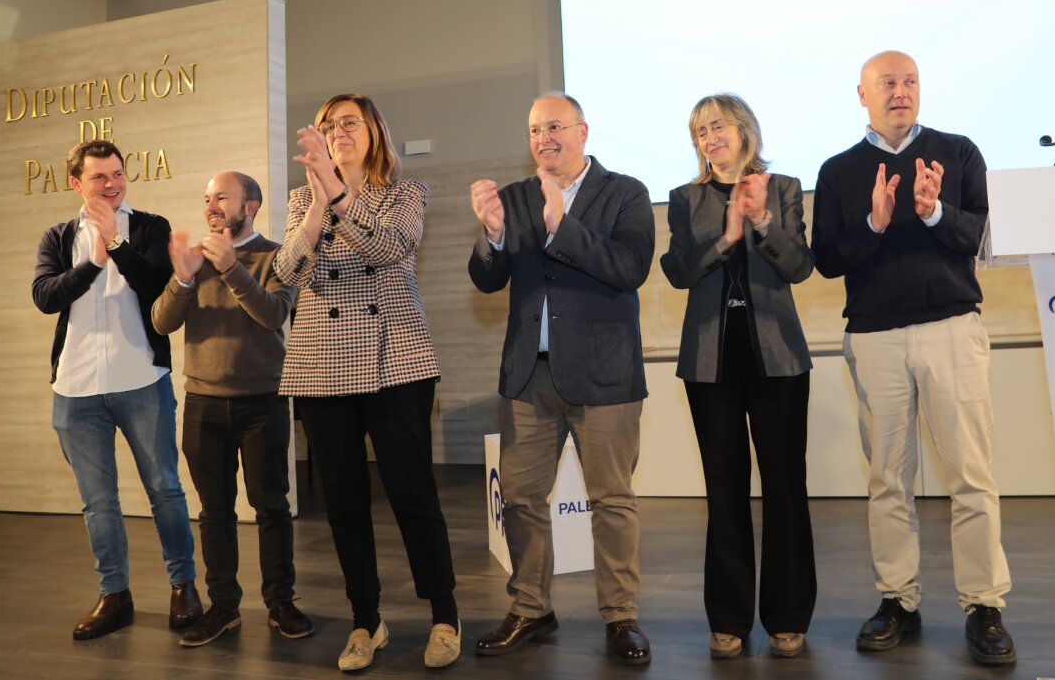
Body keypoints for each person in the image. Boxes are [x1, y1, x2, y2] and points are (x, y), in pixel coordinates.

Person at [811, 51, 1015, 666]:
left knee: (971, 477)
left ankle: (984, 605)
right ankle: (898, 598)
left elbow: (983, 238)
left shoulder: (958, 152)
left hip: (952, 328)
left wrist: (932, 213)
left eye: (910, 82)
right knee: (888, 481)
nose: (901, 92)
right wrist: (874, 225)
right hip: (875, 337)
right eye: (887, 84)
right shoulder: (839, 170)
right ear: (863, 95)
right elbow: (826, 258)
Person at [274, 94, 460, 671]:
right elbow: (284, 275)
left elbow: (390, 247)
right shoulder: (302, 198)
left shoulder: (406, 193)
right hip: (320, 362)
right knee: (345, 503)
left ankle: (445, 615)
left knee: (410, 493)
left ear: (375, 131)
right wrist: (312, 216)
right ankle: (365, 620)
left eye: (349, 122)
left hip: (394, 362)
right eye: (328, 125)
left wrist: (337, 193)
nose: (338, 132)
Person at [468, 92, 655, 665]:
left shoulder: (626, 193)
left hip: (604, 375)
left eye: (554, 126)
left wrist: (563, 227)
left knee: (612, 501)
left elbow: (630, 269)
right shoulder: (516, 197)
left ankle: (620, 617)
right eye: (533, 130)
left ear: (583, 131)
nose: (543, 138)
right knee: (521, 499)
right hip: (530, 375)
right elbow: (486, 280)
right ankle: (531, 608)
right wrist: (494, 234)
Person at [660, 93, 817, 659]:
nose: (709, 137)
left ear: (744, 129)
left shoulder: (784, 188)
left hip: (777, 360)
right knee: (723, 492)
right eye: (700, 131)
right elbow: (677, 271)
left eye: (718, 125)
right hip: (711, 362)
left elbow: (800, 265)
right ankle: (728, 616)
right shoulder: (686, 198)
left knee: (784, 490)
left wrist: (762, 222)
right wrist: (726, 236)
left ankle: (787, 615)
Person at [31, 139, 201, 639]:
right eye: (100, 177)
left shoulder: (151, 227)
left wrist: (119, 246)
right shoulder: (58, 236)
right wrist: (93, 262)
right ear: (76, 182)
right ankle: (115, 595)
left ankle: (183, 587)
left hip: (141, 380)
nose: (112, 184)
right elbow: (45, 296)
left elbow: (157, 285)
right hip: (76, 387)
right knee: (97, 501)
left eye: (118, 174)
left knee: (165, 489)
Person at [151, 171, 311, 647]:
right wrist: (182, 277)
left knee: (271, 507)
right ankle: (223, 608)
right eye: (207, 198)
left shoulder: (277, 255)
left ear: (252, 205)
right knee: (214, 512)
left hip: (262, 402)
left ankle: (280, 602)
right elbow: (162, 321)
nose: (211, 205)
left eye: (222, 196)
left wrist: (232, 268)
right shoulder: (194, 260)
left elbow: (274, 314)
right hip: (202, 402)